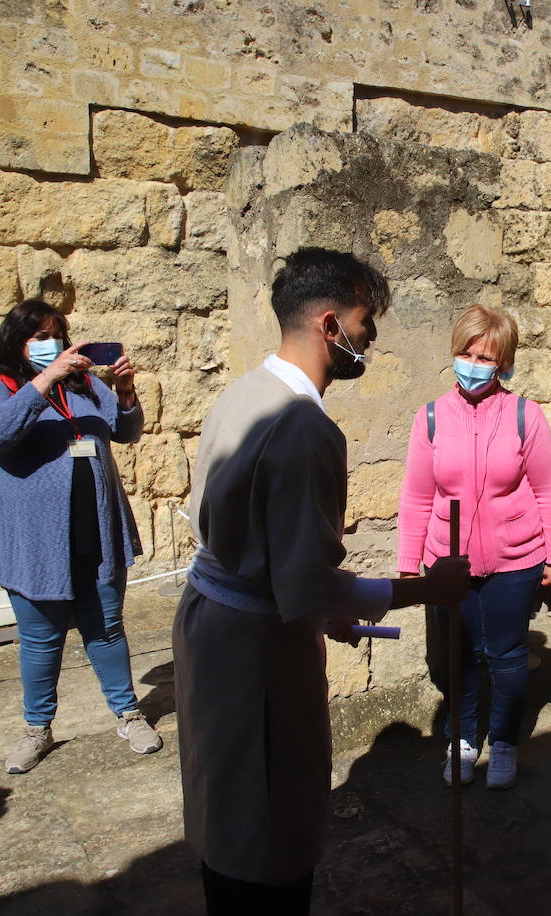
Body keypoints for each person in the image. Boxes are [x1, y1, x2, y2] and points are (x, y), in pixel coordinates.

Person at [173, 248, 470, 912]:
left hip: (217, 627)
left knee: (229, 814)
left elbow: (269, 555)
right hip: (255, 652)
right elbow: (307, 588)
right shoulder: (304, 428)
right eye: (366, 321)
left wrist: (314, 604)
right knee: (264, 830)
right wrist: (432, 589)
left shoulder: (245, 390)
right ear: (330, 323)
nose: (371, 337)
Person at [0, 298, 160, 775]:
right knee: (40, 638)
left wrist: (125, 393)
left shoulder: (87, 385)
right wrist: (46, 379)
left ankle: (128, 713)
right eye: (39, 336)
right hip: (34, 541)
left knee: (107, 627)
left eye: (56, 333)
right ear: (18, 343)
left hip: (94, 529)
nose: (50, 343)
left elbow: (126, 432)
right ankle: (37, 728)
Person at [396, 304, 551, 790]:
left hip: (515, 560)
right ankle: (462, 739)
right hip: (448, 562)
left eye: (485, 357)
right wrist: (410, 565)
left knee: (509, 654)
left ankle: (505, 741)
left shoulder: (524, 416)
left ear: (505, 364)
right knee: (460, 656)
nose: (473, 364)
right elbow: (416, 495)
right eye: (465, 353)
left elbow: (549, 488)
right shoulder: (429, 418)